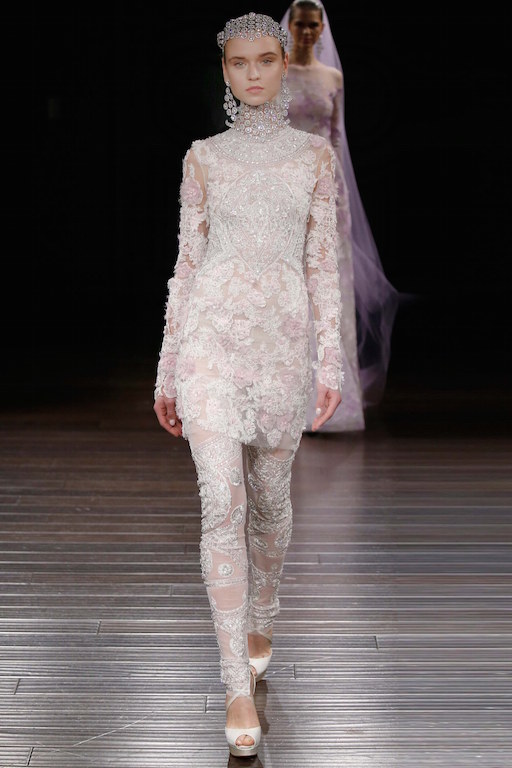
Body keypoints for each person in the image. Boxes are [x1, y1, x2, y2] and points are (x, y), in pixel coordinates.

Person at [153, 11, 344, 757]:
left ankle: (263, 611)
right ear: (225, 70)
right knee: (221, 504)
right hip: (211, 342)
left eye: (266, 60)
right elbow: (185, 266)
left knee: (268, 500)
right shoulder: (202, 158)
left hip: (281, 347)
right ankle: (235, 684)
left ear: (283, 67)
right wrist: (167, 367)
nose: (254, 74)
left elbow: (322, 265)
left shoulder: (313, 158)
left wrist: (330, 362)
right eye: (240, 62)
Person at [281, 0, 400, 428]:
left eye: (313, 25)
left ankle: (330, 402)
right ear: (290, 26)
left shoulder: (333, 77)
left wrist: (336, 198)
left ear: (321, 28)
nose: (307, 32)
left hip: (326, 192)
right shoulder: (275, 74)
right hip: (284, 188)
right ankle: (284, 400)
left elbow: (335, 138)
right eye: (301, 24)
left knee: (326, 290)